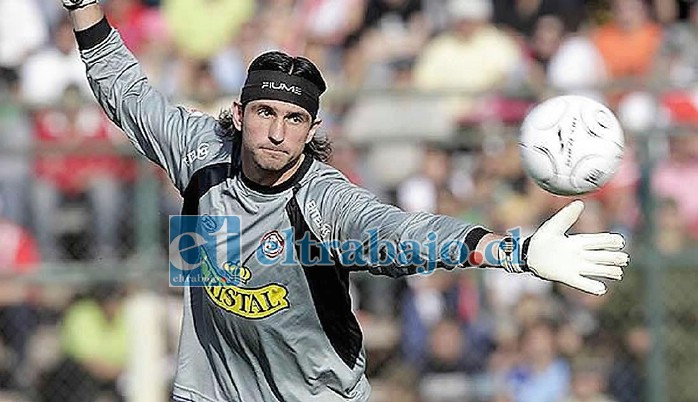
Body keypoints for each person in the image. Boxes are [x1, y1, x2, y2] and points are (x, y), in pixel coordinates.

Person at [61, 1, 629, 401]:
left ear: (311, 131)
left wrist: (516, 250)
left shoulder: (322, 201)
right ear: (237, 115)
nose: (278, 133)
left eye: (295, 119)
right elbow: (122, 86)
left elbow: (404, 234)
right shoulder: (199, 156)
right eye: (264, 113)